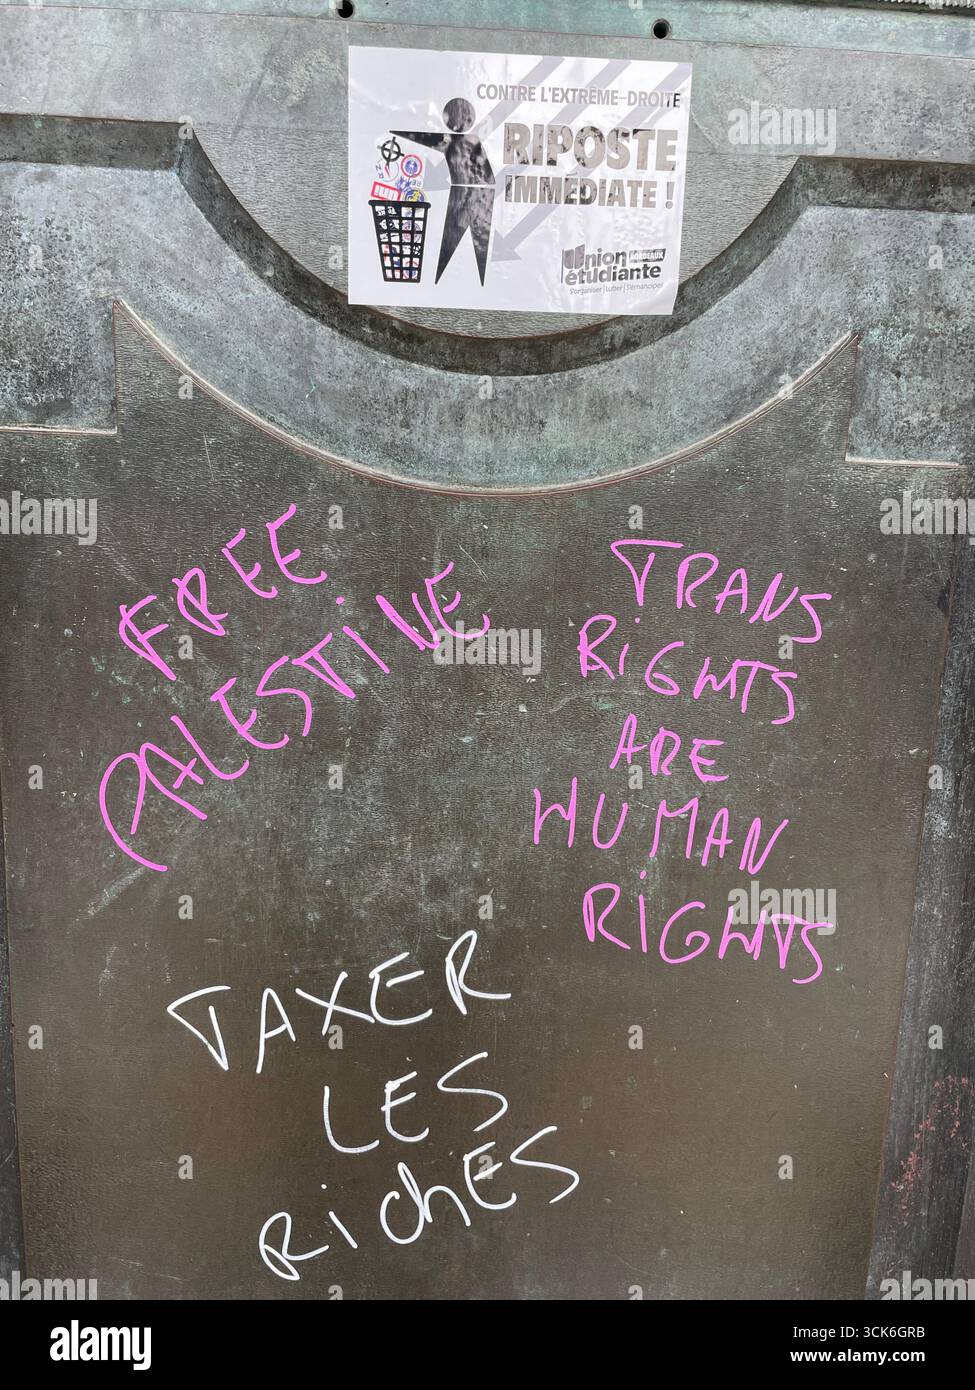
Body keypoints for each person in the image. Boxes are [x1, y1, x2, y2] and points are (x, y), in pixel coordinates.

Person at [392, 98, 495, 285]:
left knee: (472, 254)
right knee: (452, 251)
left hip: (477, 195)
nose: (454, 123)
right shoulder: (453, 140)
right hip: (469, 194)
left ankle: (464, 280)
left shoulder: (463, 141)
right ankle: (447, 280)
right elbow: (423, 137)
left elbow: (424, 138)